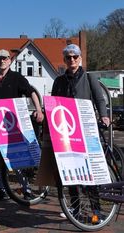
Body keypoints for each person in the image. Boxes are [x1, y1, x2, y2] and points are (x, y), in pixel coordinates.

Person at [51, 44, 109, 221]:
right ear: (64, 60)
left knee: (89, 172)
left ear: (80, 58)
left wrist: (104, 116)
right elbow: (53, 103)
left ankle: (96, 210)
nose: (72, 60)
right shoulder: (59, 81)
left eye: (75, 57)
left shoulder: (89, 78)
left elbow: (99, 99)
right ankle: (75, 208)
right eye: (68, 57)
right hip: (66, 133)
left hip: (85, 130)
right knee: (70, 171)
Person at [0, 49, 44, 201]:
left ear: (9, 61)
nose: (2, 61)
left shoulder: (16, 77)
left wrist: (38, 109)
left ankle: (26, 189)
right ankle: (2, 189)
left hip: (14, 126)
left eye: (5, 58)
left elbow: (31, 92)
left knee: (17, 159)